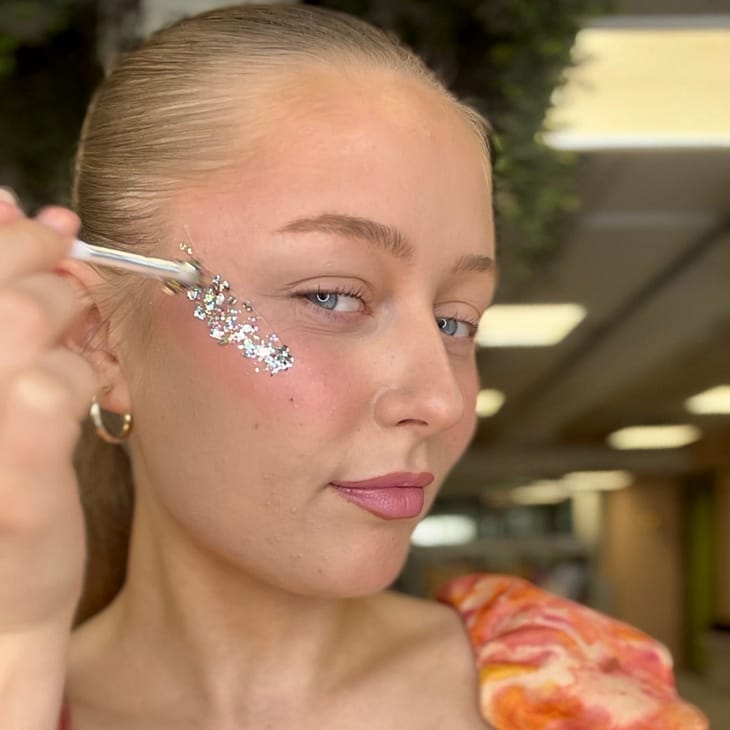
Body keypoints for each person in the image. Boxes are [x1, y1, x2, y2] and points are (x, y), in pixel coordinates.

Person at [0, 4, 707, 729]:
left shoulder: (576, 694)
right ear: (100, 340)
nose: (441, 401)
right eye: (332, 296)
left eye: (455, 321)